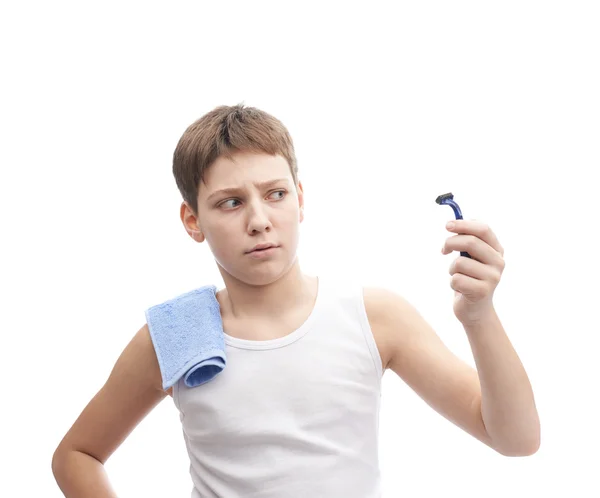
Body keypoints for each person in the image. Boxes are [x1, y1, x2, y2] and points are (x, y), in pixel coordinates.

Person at [51, 103, 540, 497]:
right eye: (230, 202)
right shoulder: (180, 335)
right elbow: (77, 456)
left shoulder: (373, 316)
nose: (260, 219)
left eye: (276, 194)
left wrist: (479, 316)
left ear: (300, 199)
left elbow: (516, 439)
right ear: (192, 220)